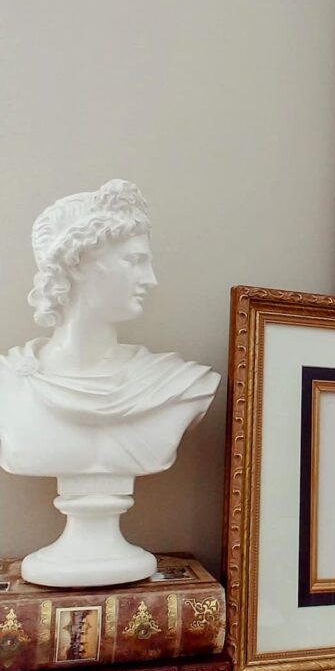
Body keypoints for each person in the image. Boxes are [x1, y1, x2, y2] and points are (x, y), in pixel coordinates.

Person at [0, 179, 220, 477]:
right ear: (76, 263)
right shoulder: (9, 384)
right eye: (135, 261)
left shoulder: (180, 385)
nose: (150, 279)